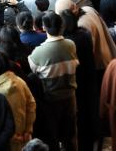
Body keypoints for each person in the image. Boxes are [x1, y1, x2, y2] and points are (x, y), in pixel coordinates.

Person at [27, 11, 78, 151]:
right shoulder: (71, 45)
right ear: (62, 26)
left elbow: (34, 72)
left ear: (44, 27)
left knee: (53, 135)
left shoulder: (37, 53)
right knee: (70, 135)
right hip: (70, 96)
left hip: (50, 98)